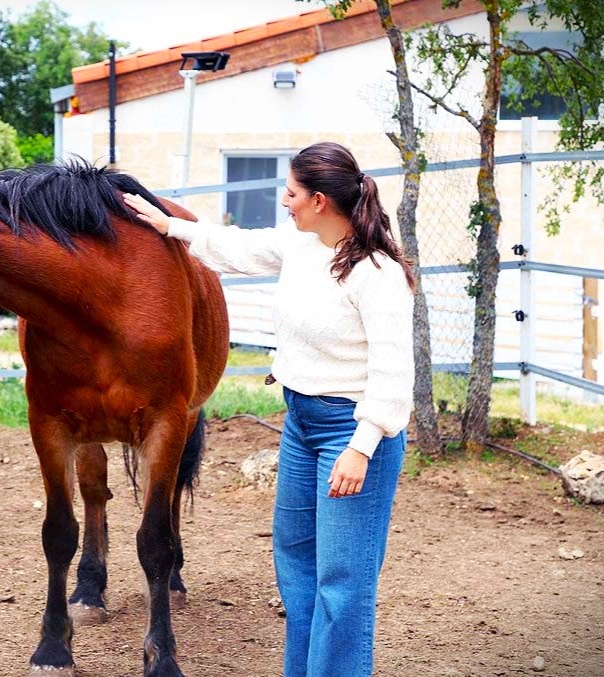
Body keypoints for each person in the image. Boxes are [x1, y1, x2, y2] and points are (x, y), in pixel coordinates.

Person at [123, 141, 416, 677]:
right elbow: (234, 248)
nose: (285, 201)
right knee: (298, 573)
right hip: (300, 423)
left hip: (350, 435)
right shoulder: (302, 246)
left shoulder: (378, 274)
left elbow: (396, 377)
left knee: (341, 586)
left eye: (292, 193)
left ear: (321, 201)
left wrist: (362, 447)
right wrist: (167, 225)